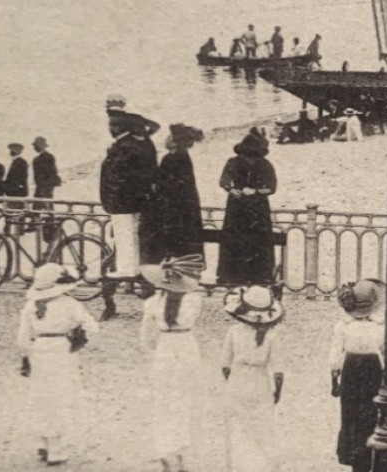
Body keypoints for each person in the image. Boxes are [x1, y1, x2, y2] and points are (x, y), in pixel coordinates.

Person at [15, 263, 98, 467]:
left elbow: (22, 338)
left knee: (41, 396)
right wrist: (80, 339)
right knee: (59, 396)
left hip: (39, 349)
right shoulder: (69, 304)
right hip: (61, 349)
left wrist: (25, 356)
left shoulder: (31, 306)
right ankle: (56, 449)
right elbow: (92, 327)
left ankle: (43, 441)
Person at [139, 254, 206, 472]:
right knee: (184, 398)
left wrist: (157, 347)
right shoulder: (193, 301)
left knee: (163, 400)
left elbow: (147, 339)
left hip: (165, 347)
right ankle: (181, 454)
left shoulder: (151, 303)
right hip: (186, 344)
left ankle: (165, 448)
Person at [220, 286, 285, 472]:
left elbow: (225, 364)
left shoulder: (234, 332)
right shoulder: (272, 335)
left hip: (239, 379)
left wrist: (231, 382)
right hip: (260, 381)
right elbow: (278, 370)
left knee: (240, 427)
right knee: (259, 429)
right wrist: (277, 392)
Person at [99, 106, 159, 319]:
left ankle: (127, 269)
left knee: (125, 238)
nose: (110, 129)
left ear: (120, 127)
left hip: (123, 204)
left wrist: (111, 198)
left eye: (112, 125)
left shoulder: (124, 147)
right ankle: (133, 269)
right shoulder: (141, 144)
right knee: (133, 237)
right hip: (138, 203)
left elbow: (118, 177)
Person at [329, 279, 384, 472]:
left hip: (351, 372)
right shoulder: (379, 328)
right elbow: (386, 355)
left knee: (351, 420)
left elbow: (335, 357)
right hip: (372, 372)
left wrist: (335, 380)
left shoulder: (343, 326)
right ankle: (366, 471)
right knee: (371, 418)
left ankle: (356, 471)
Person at [216, 128, 278, 287]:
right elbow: (224, 181)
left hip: (258, 209)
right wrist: (231, 189)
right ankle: (231, 275)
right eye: (247, 154)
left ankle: (260, 276)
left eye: (253, 154)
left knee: (258, 241)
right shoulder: (233, 162)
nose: (250, 158)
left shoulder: (265, 164)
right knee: (234, 240)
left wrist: (256, 191)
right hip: (236, 208)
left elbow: (272, 187)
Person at [140, 124, 205, 266]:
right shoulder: (183, 157)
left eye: (169, 137)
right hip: (182, 209)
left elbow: (168, 184)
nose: (166, 139)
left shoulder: (172, 158)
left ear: (175, 142)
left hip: (173, 210)